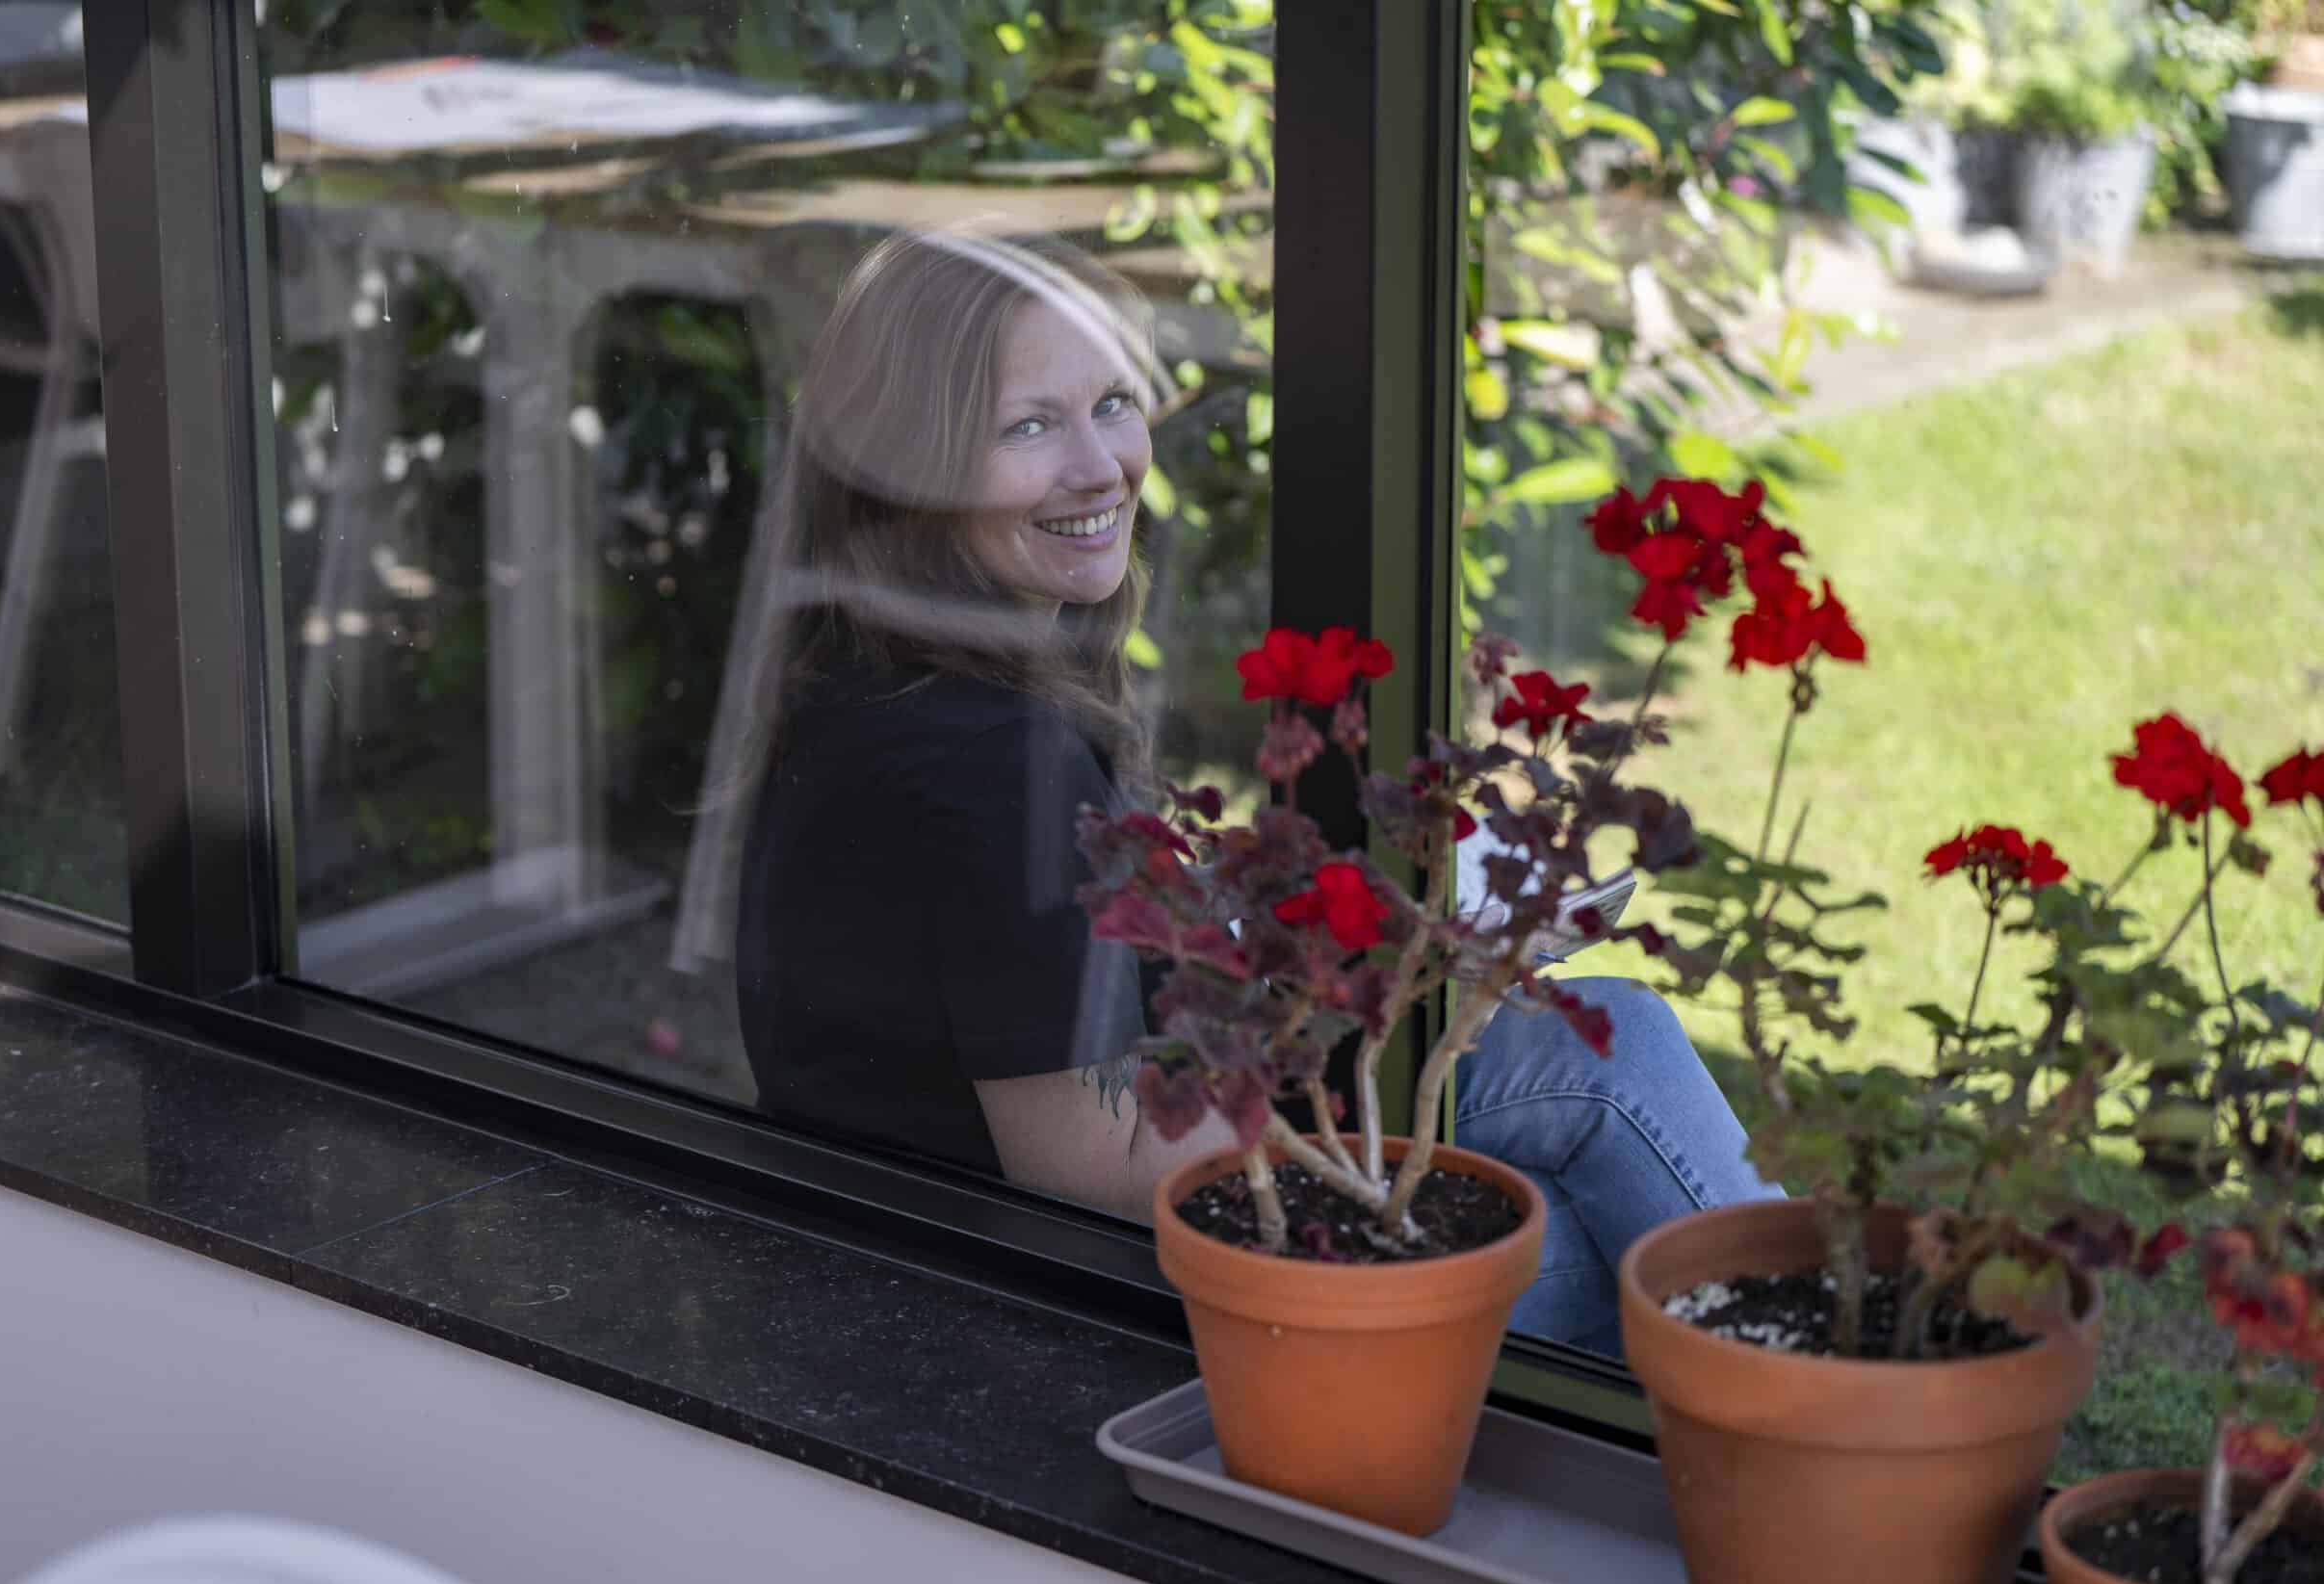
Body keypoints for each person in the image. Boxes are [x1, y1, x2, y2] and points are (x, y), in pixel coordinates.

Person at [728, 227, 1772, 1358]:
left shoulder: (881, 675)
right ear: (908, 463)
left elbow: (1036, 974)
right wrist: (1372, 983)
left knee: (1605, 1056)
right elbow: (1087, 1175)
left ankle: (1785, 1387)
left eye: (1113, 404)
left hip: (911, 1239)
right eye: (1027, 426)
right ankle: (1805, 1407)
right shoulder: (982, 762)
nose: (1101, 466)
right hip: (1022, 1309)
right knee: (1596, 1180)